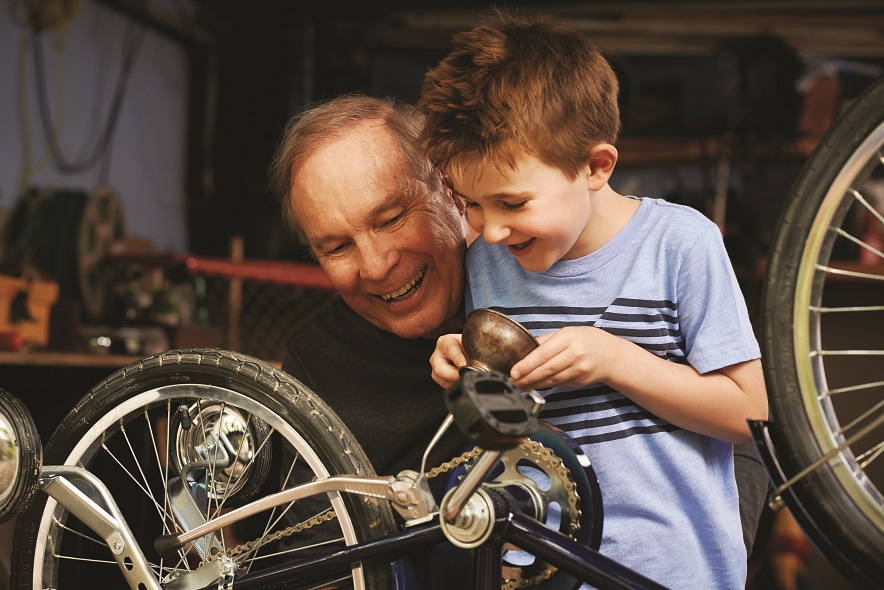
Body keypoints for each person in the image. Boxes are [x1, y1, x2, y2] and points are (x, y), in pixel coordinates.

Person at [419, 12, 768, 590]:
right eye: (473, 205)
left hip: (672, 571)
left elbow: (750, 416)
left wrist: (615, 360)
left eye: (513, 202)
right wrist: (466, 372)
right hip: (540, 569)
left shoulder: (681, 244)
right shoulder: (487, 263)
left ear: (595, 166)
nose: (494, 230)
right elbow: (516, 428)